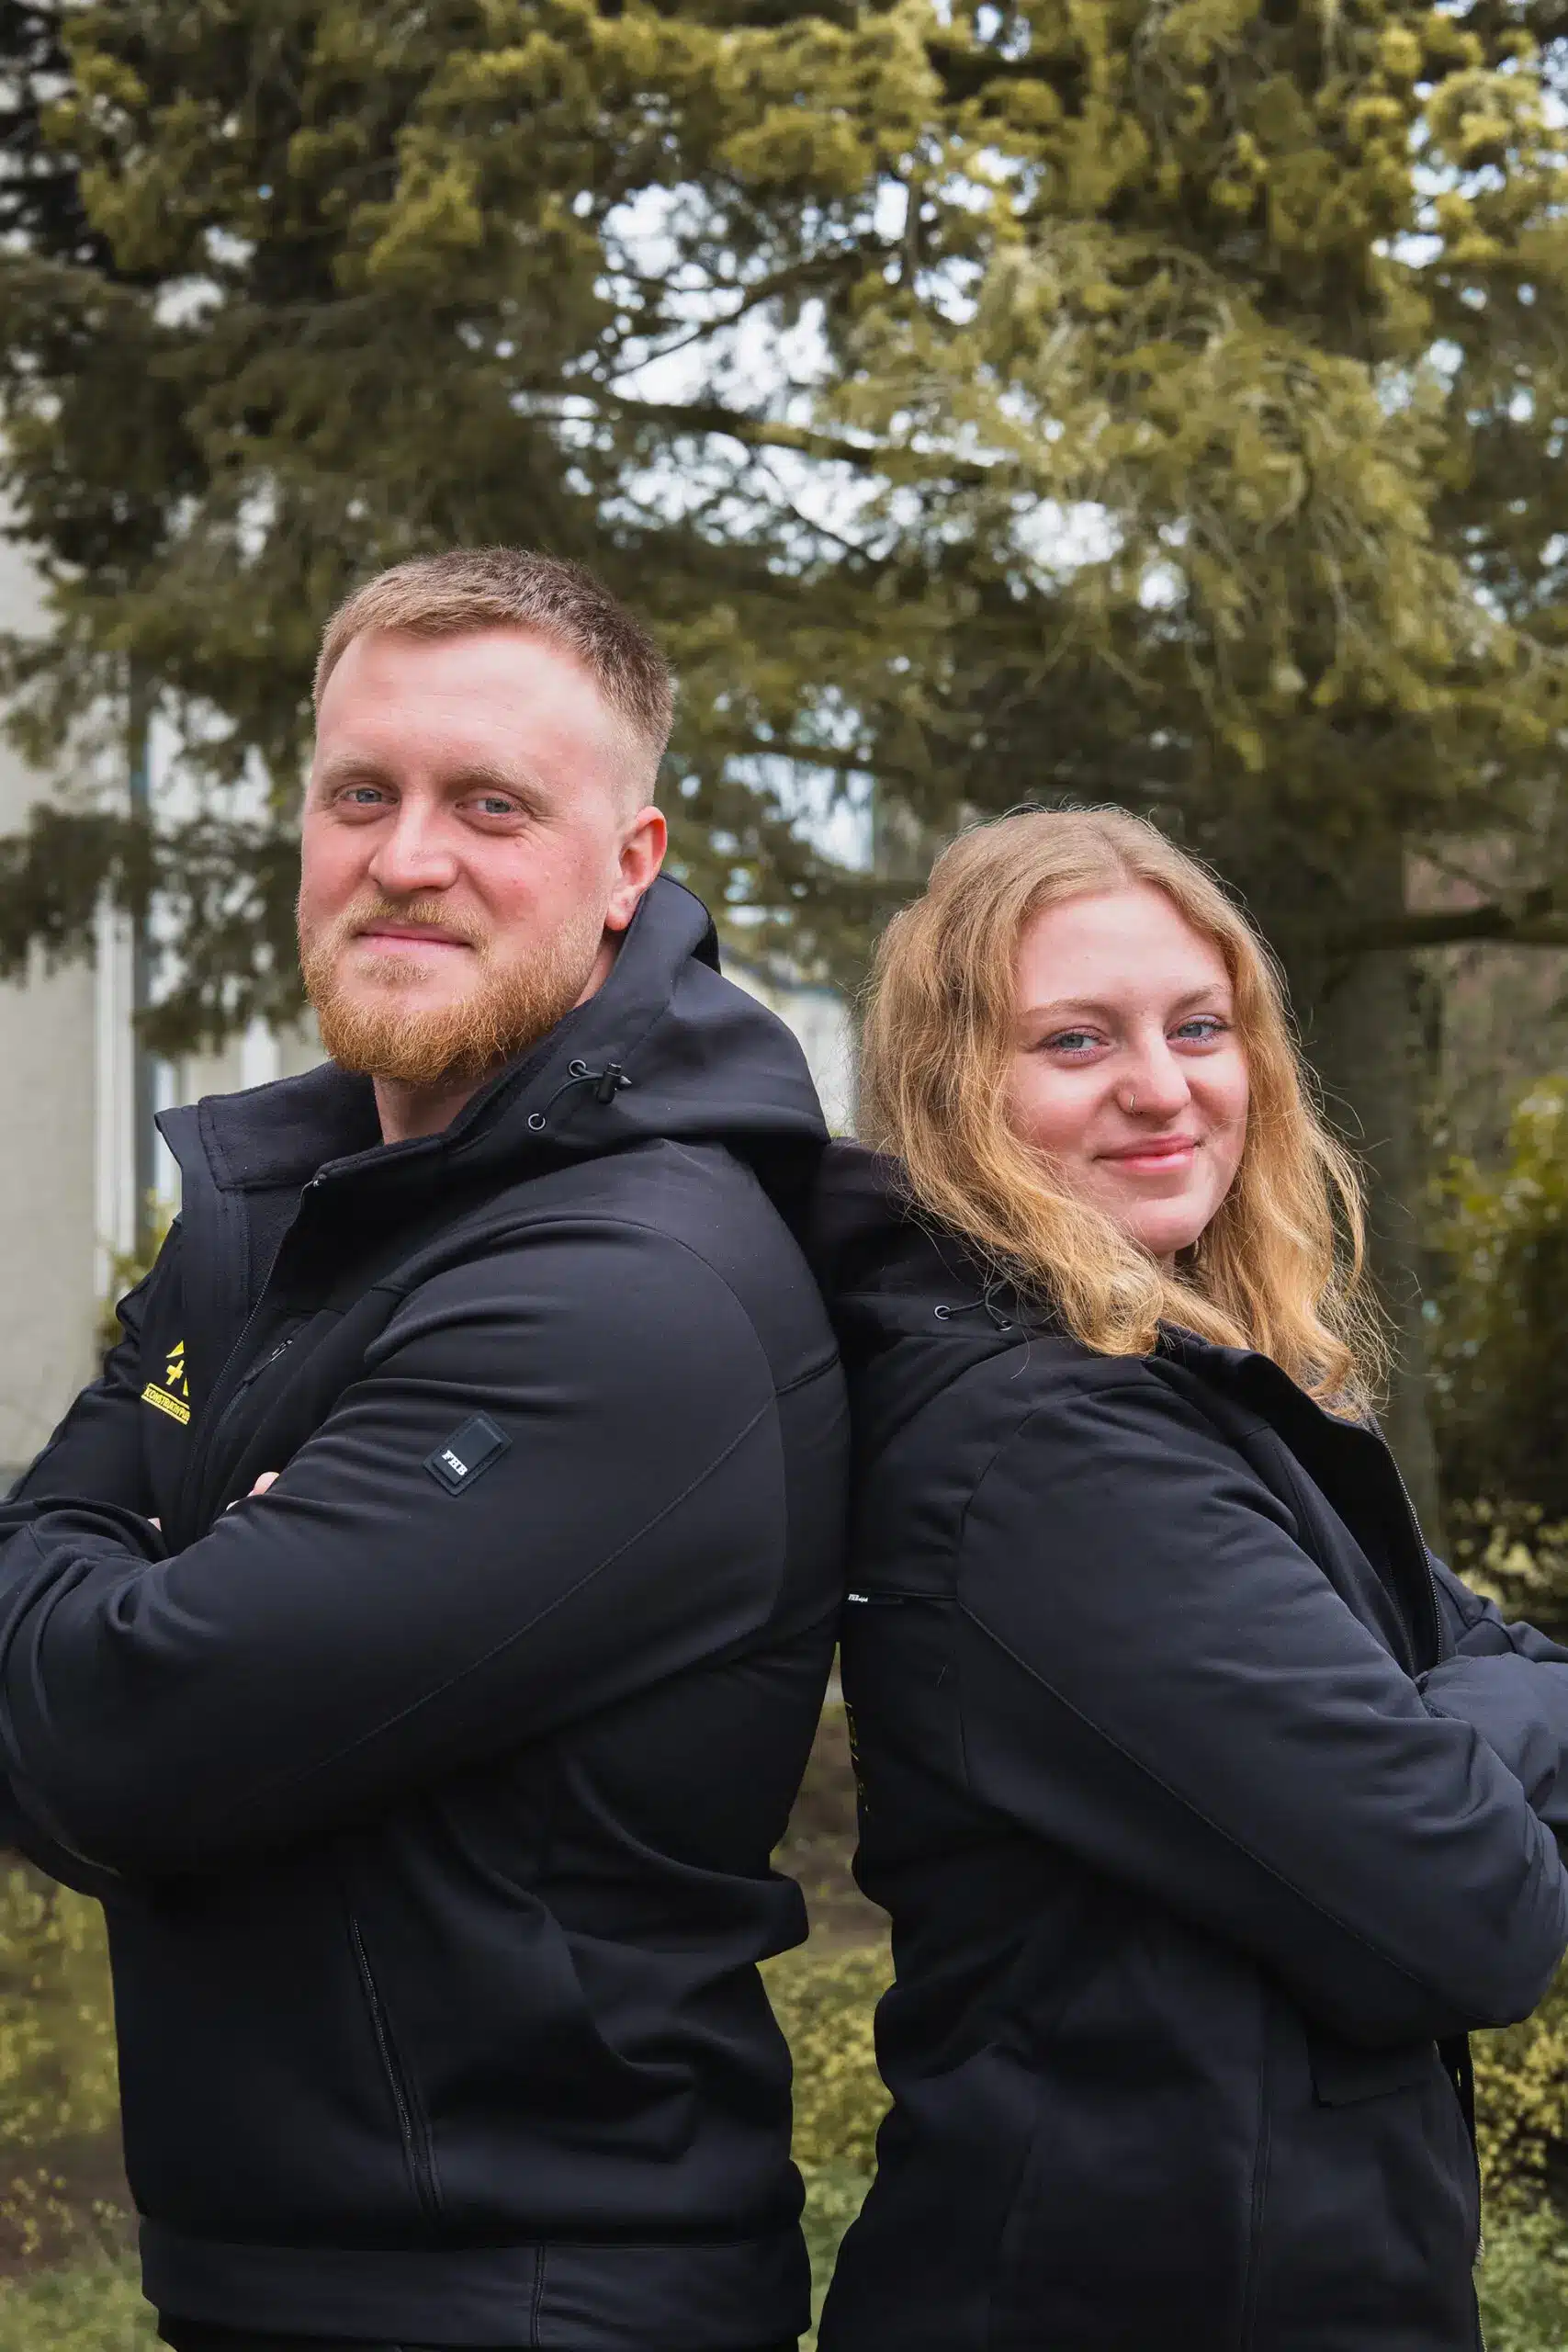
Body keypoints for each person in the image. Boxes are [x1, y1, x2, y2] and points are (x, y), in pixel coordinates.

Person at [0, 548, 848, 2352]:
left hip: (530, 2289)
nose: (405, 854)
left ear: (631, 866)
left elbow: (108, 1732)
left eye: (491, 803)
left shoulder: (631, 1289)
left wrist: (144, 1568)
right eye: (359, 794)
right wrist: (138, 1567)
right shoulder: (296, 1202)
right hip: (316, 2270)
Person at [813, 807, 1568, 2352]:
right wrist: (1453, 1736)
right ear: (959, 1093)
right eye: (1075, 1040)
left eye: (1198, 1025)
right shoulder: (1050, 1455)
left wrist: (1443, 1724)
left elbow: (1504, 1660)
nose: (1159, 1088)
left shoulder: (1185, 1387)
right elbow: (1474, 1907)